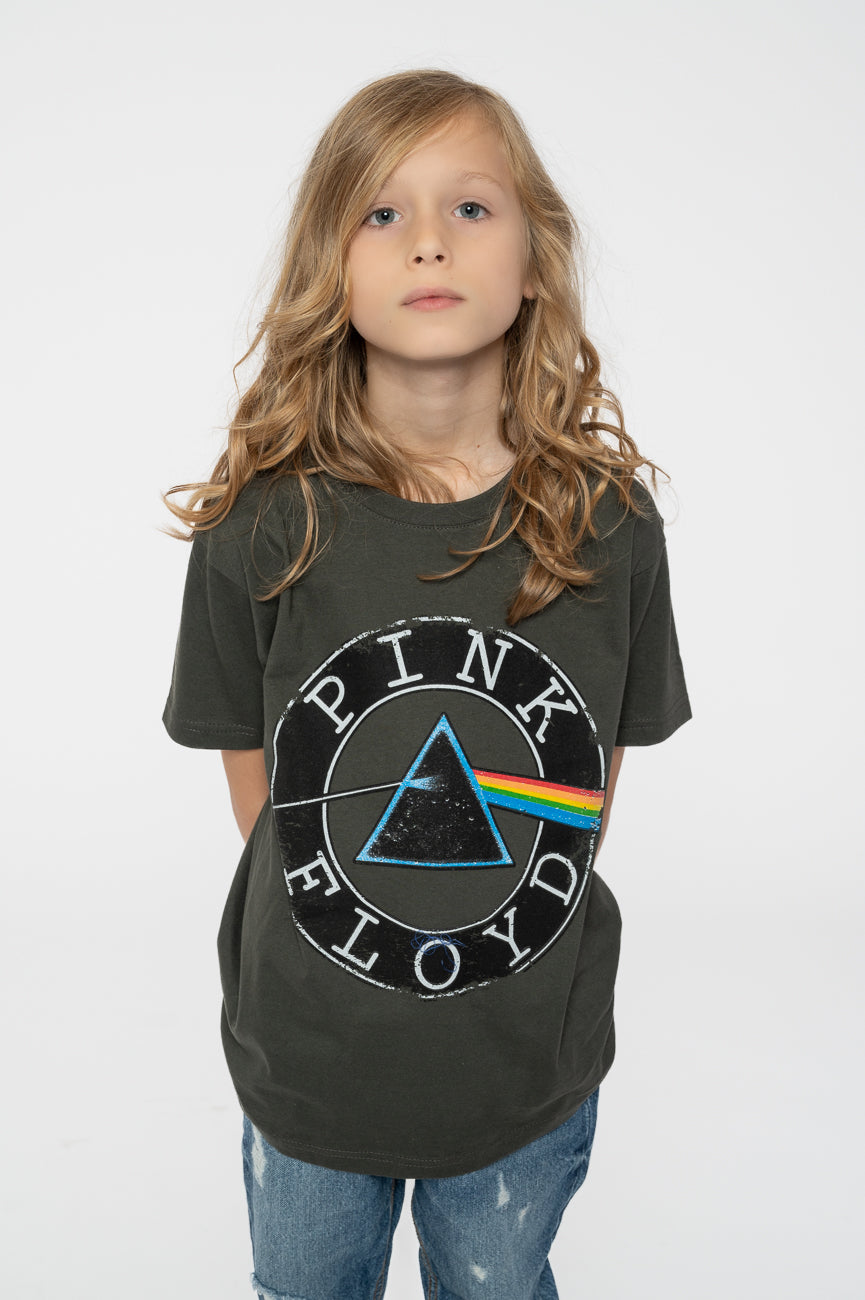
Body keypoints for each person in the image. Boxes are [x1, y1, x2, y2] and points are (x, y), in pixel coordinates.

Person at [163, 67, 691, 1300]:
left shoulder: (607, 527)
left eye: (471, 207)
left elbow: (583, 784)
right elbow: (264, 789)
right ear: (328, 267)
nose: (429, 242)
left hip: (522, 1064)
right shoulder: (262, 524)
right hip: (311, 1058)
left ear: (534, 259)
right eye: (381, 212)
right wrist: (384, 897)